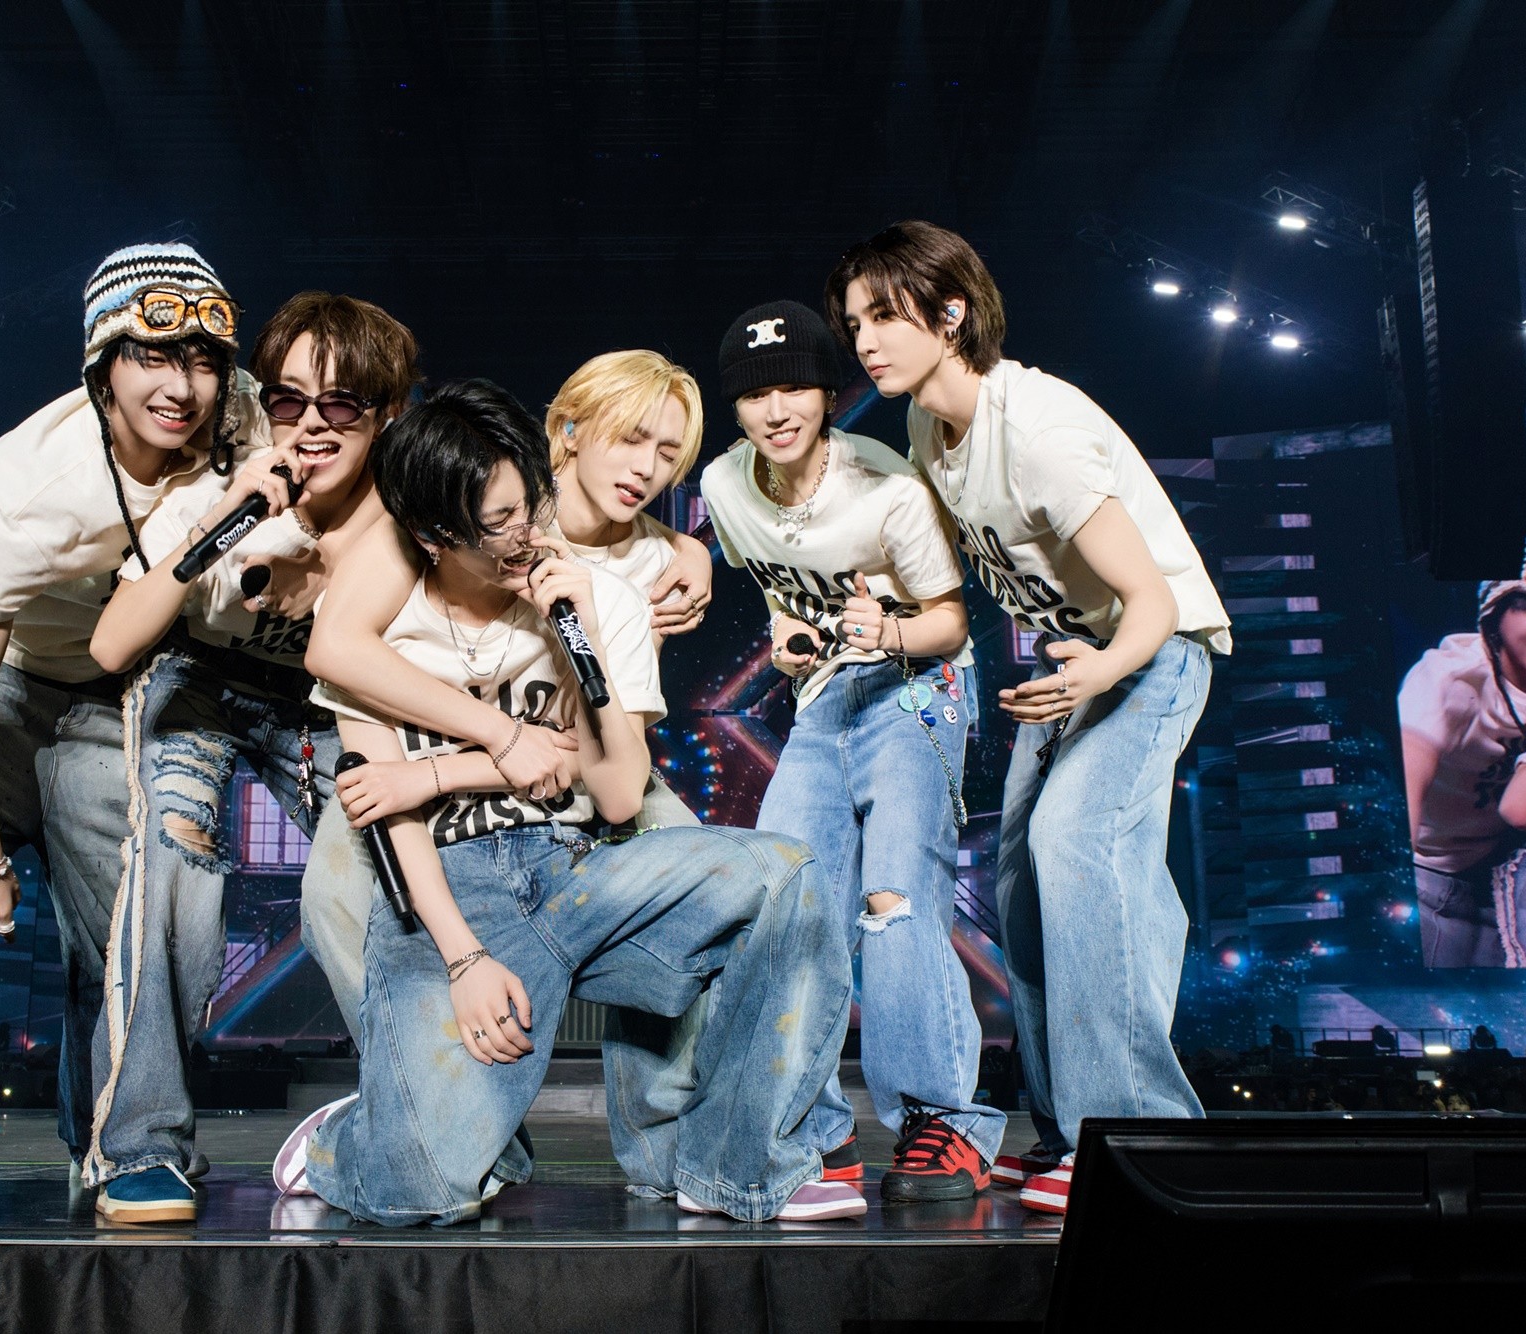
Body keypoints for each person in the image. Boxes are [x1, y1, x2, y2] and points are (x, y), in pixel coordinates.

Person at [271, 378, 860, 1224]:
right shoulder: (384, 629)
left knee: (786, 875)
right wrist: (464, 957)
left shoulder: (594, 600)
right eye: (499, 522)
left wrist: (579, 630)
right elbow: (388, 810)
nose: (527, 534)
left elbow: (617, 792)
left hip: (582, 866)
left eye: (530, 506)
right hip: (459, 882)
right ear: (436, 537)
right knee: (422, 1187)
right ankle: (349, 1138)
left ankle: (737, 1167)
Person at [829, 220, 1232, 1215]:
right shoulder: (925, 427)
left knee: (1077, 842)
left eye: (884, 316)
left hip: (1149, 654)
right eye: (854, 322)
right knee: (1016, 886)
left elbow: (1152, 601)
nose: (865, 341)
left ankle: (1133, 1135)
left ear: (950, 313)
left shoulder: (1039, 431)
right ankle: (1062, 1130)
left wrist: (1099, 668)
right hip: (1072, 665)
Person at [0, 243, 265, 1220]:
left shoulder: (246, 425)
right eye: (151, 357)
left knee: (134, 900)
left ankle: (119, 1144)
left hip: (130, 687)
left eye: (203, 361)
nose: (181, 388)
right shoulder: (29, 478)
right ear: (102, 363)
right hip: (0, 681)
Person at [298, 349, 718, 1196]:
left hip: (574, 764)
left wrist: (693, 557)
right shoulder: (470, 494)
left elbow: (595, 760)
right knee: (333, 897)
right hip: (434, 753)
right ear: (566, 433)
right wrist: (491, 740)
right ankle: (421, 1103)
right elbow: (335, 650)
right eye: (631, 439)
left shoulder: (658, 559)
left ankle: (669, 1143)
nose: (647, 468)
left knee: (697, 875)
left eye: (669, 453)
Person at [78, 291, 418, 1223]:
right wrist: (224, 521)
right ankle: (141, 1147)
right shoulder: (223, 487)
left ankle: (434, 1114)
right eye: (289, 399)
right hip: (198, 685)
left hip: (322, 707)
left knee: (393, 873)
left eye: (341, 403)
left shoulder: (410, 503)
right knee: (170, 867)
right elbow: (112, 645)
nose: (311, 424)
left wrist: (682, 555)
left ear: (387, 413)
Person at [699, 299, 1001, 1204]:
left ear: (829, 395)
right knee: (790, 905)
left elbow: (950, 622)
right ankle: (814, 1129)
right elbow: (779, 593)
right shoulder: (724, 487)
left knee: (893, 898)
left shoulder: (889, 490)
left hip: (916, 686)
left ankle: (944, 1120)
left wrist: (889, 631)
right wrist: (790, 637)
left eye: (794, 387)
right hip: (824, 699)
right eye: (755, 394)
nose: (775, 409)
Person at [1403, 538, 1526, 966]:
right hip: (1426, 874)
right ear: (1495, 614)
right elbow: (1401, 798)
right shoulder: (1452, 675)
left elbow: (1521, 807)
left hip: (1498, 879)